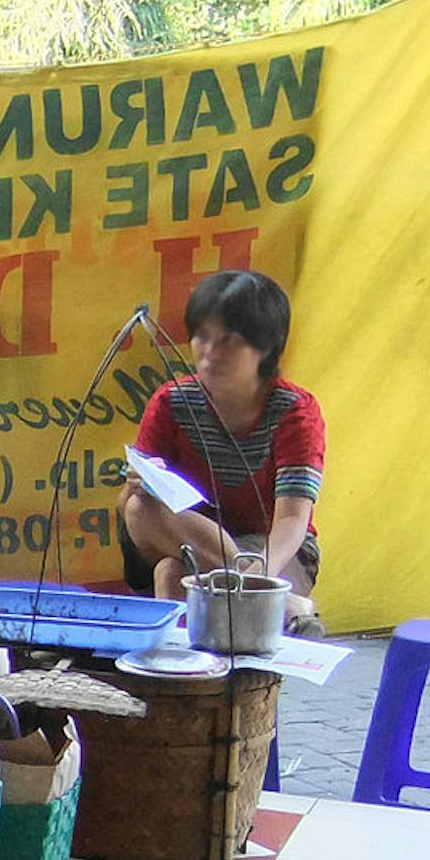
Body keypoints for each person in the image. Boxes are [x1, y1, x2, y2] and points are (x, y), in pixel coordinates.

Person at [118, 269, 327, 636]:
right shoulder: (171, 402)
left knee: (170, 575)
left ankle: (261, 603)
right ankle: (284, 609)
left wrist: (259, 575)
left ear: (265, 347)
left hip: (274, 549)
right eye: (201, 337)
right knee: (138, 507)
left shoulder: (294, 411)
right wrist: (141, 481)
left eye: (228, 341)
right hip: (192, 538)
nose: (209, 353)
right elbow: (131, 512)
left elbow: (293, 521)